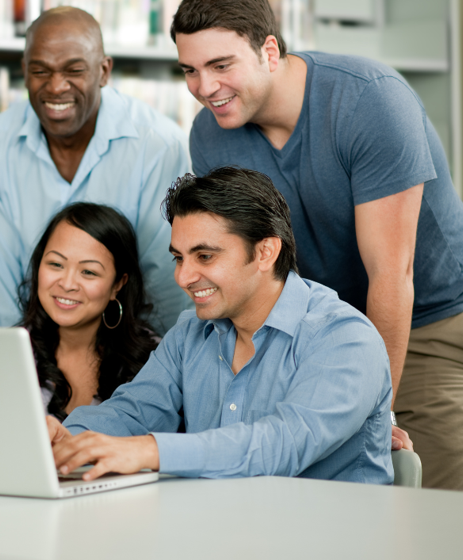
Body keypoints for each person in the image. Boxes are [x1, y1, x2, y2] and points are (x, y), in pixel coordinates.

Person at [172, 0, 463, 490]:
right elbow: (262, 267)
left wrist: (377, 409)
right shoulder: (209, 134)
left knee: (420, 496)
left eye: (221, 66)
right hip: (319, 322)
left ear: (268, 50)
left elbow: (391, 275)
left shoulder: (370, 103)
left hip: (424, 321)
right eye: (190, 71)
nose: (204, 87)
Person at [48, 168, 394, 485]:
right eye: (179, 258)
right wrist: (67, 438)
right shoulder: (190, 332)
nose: (183, 277)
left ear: (265, 252)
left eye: (205, 257)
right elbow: (133, 411)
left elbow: (281, 445)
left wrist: (150, 451)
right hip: (221, 534)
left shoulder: (345, 338)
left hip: (330, 542)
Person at [0, 6, 190, 334]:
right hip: (29, 351)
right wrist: (12, 370)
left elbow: (165, 282)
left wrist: (154, 373)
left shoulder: (158, 144)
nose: (56, 87)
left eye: (73, 70)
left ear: (103, 71)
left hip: (131, 349)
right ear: (24, 70)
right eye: (41, 71)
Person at [18, 202, 158, 420]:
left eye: (88, 272)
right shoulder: (10, 353)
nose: (67, 284)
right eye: (56, 264)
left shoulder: (156, 360)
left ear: (117, 285)